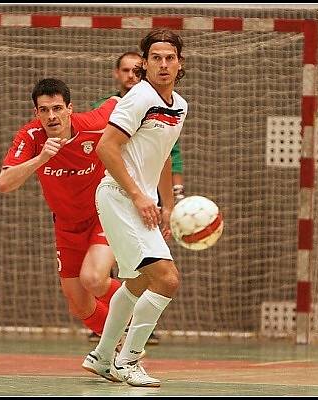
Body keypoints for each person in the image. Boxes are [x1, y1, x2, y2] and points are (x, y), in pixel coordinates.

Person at [81, 28, 188, 387]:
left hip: (141, 202)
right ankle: (127, 361)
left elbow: (160, 161)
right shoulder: (138, 98)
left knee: (139, 281)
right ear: (145, 64)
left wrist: (166, 206)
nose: (163, 64)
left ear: (180, 63)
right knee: (167, 279)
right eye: (155, 58)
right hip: (117, 195)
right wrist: (139, 196)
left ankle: (101, 356)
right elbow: (106, 148)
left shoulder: (180, 106)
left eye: (169, 57)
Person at [0, 78, 122, 340]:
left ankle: (142, 311)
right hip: (66, 225)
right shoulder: (31, 136)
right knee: (78, 303)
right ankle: (118, 344)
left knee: (95, 279)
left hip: (102, 215)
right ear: (36, 113)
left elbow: (117, 102)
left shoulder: (94, 125)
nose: (51, 116)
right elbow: (5, 183)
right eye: (44, 110)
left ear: (69, 108)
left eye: (57, 108)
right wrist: (42, 158)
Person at [92, 51, 186, 205]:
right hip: (117, 187)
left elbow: (169, 154)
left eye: (135, 70)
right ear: (116, 73)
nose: (131, 75)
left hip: (151, 188)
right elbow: (102, 147)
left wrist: (176, 193)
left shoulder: (165, 106)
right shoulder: (102, 108)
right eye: (125, 70)